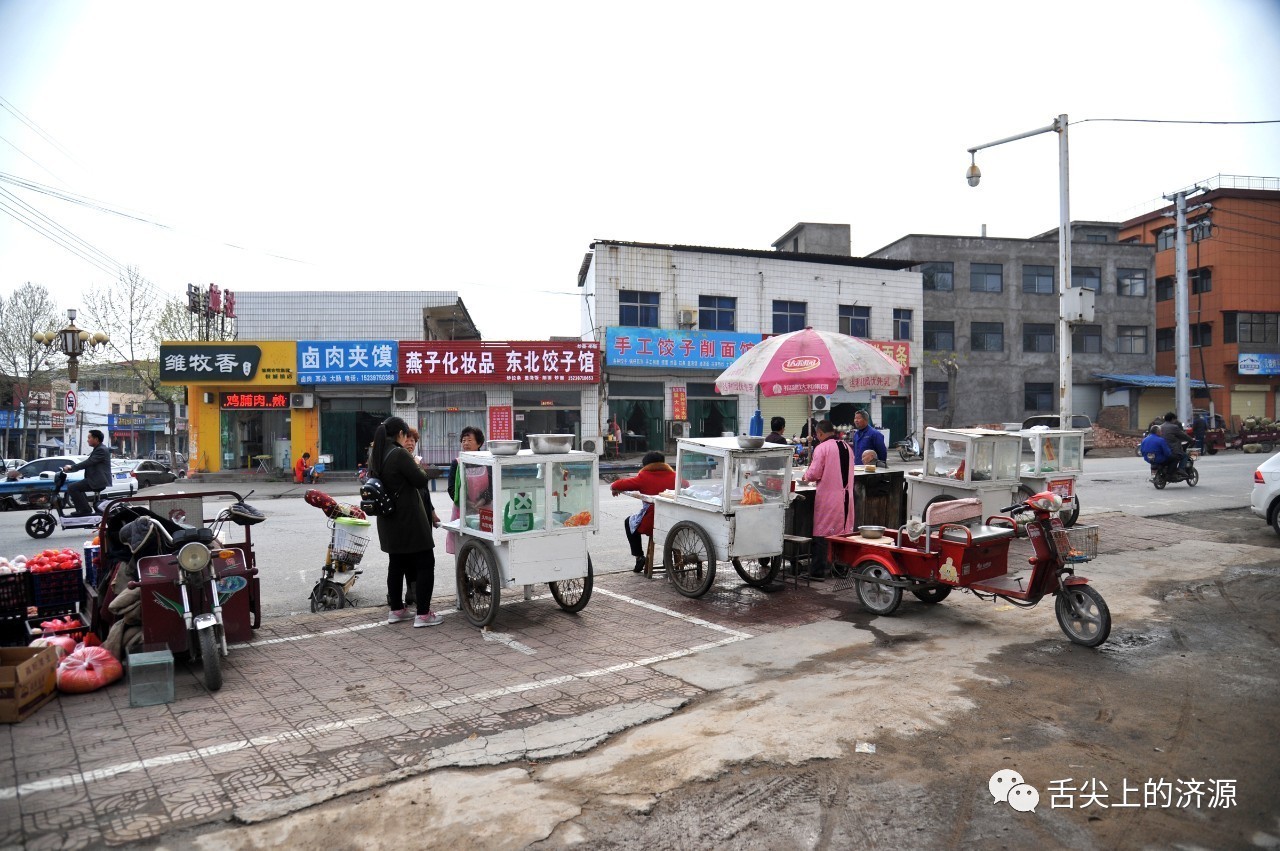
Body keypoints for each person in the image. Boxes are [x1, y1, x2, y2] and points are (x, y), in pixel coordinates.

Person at [368, 416, 443, 628]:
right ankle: (423, 614)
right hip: (409, 519)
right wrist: (417, 465)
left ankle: (397, 610)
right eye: (405, 436)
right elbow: (420, 479)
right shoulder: (399, 454)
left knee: (396, 564)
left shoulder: (376, 454)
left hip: (388, 520)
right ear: (400, 434)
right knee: (426, 563)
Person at [802, 419, 856, 580]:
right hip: (847, 497)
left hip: (829, 497)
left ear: (819, 433)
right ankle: (841, 569)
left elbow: (814, 474)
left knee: (823, 533)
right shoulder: (847, 447)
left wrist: (805, 476)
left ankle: (817, 572)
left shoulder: (822, 448)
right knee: (843, 533)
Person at [609, 450, 677, 572]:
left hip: (652, 523)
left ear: (645, 465)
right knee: (670, 529)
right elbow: (687, 485)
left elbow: (618, 484)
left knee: (629, 522)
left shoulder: (644, 477)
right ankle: (668, 558)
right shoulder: (676, 476)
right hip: (676, 522)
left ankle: (639, 557)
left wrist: (615, 488)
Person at [445, 426, 493, 555]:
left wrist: (482, 501)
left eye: (469, 440)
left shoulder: (488, 462)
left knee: (486, 547)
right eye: (463, 440)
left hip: (484, 510)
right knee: (463, 547)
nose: (465, 443)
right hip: (462, 509)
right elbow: (451, 488)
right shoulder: (457, 463)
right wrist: (466, 502)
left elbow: (492, 486)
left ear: (479, 443)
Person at [63, 429, 111, 516]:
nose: (87, 440)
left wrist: (71, 467)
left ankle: (84, 510)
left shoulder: (101, 450)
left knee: (72, 487)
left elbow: (88, 462)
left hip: (97, 481)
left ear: (96, 439)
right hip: (95, 479)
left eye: (89, 438)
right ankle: (85, 509)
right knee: (76, 487)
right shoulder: (98, 449)